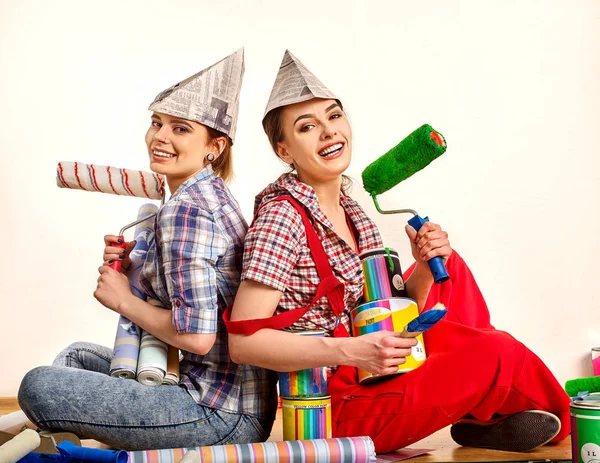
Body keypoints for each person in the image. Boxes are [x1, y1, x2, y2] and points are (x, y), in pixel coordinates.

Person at [225, 50, 570, 454]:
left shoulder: (352, 209)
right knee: (496, 352)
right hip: (330, 409)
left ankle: (482, 413)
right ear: (284, 151)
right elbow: (244, 343)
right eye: (307, 127)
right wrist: (349, 351)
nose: (329, 132)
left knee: (449, 268)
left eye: (334, 117)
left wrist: (424, 265)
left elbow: (385, 311)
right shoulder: (282, 217)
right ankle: (526, 412)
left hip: (371, 369)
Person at [18, 49, 277, 451]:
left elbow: (197, 338)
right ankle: (79, 441)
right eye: (157, 123)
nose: (160, 136)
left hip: (214, 412)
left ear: (216, 146)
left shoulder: (186, 210)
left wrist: (123, 300)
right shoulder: (209, 195)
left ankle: (69, 444)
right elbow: (195, 290)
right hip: (228, 399)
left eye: (180, 129)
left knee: (38, 385)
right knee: (78, 355)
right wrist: (135, 266)